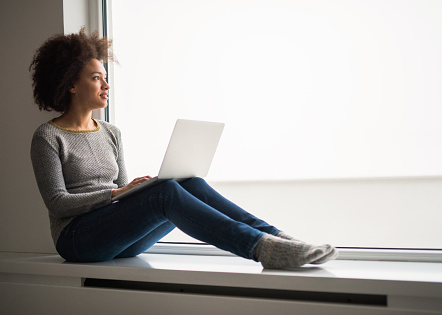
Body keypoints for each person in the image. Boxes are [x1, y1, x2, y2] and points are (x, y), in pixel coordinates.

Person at [29, 28, 338, 268]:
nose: (106, 86)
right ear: (71, 83)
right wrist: (117, 194)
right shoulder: (48, 136)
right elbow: (57, 204)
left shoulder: (111, 132)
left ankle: (277, 237)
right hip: (77, 240)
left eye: (106, 78)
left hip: (115, 236)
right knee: (165, 193)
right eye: (97, 79)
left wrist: (133, 191)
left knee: (187, 182)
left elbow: (123, 195)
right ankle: (261, 248)